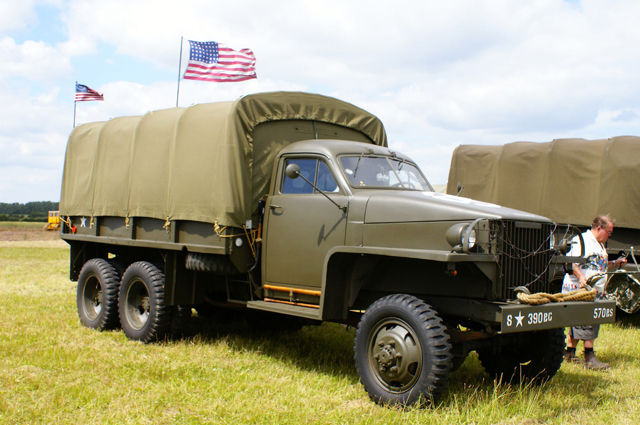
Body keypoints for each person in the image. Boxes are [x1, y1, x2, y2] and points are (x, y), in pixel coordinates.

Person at [562, 215, 627, 370]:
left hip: (593, 291)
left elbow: (598, 265)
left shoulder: (600, 244)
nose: (609, 235)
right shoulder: (582, 240)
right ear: (599, 228)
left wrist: (614, 263)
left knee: (579, 322)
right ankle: (589, 357)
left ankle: (570, 353)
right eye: (608, 232)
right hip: (579, 290)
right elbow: (570, 261)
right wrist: (581, 278)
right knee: (588, 320)